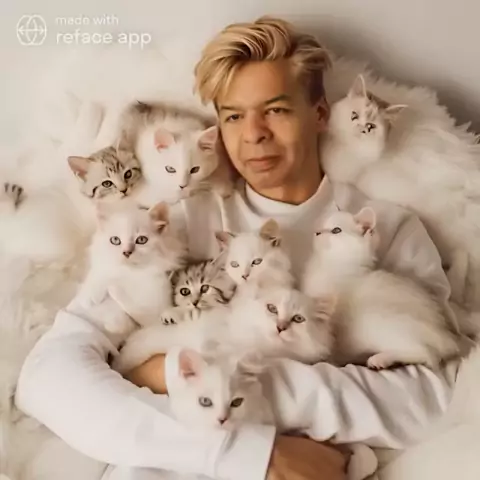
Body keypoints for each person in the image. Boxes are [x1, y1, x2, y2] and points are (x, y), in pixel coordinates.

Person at [15, 16, 462, 480]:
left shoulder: (385, 228)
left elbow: (439, 394)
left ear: (320, 114)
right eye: (233, 116)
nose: (254, 134)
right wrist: (252, 454)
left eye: (276, 110)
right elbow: (48, 376)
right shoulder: (173, 224)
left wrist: (190, 376)